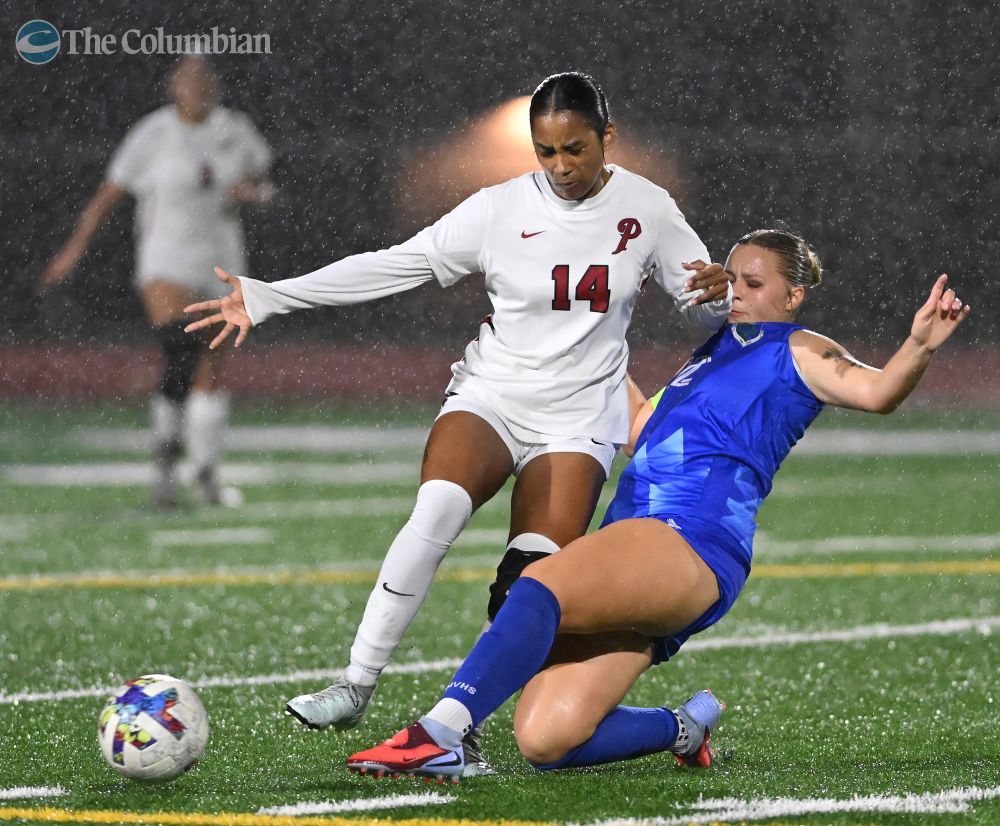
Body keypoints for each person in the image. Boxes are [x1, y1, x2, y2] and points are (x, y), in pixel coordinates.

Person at [184, 72, 732, 775]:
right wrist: (271, 297)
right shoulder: (499, 208)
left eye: (575, 149)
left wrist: (714, 297)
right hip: (493, 394)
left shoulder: (647, 207)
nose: (560, 166)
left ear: (608, 139)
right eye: (546, 152)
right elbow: (397, 265)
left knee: (527, 581)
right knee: (437, 506)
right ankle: (355, 683)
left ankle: (461, 735)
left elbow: (701, 303)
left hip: (576, 420)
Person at [344, 228, 971, 782]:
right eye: (730, 281)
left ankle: (440, 735)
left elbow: (880, 390)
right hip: (648, 544)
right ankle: (683, 729)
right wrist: (582, 346)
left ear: (793, 296)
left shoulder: (799, 348)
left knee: (537, 587)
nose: (736, 293)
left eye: (753, 283)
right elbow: (645, 434)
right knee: (546, 738)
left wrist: (919, 345)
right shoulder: (711, 356)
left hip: (689, 536)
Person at [41, 54, 274, 507]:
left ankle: (204, 473)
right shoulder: (154, 134)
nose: (197, 85)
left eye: (204, 77)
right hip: (167, 259)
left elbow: (264, 185)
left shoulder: (235, 131)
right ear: (174, 86)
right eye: (188, 78)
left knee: (211, 368)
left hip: (222, 259)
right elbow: (108, 195)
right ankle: (167, 463)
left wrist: (255, 195)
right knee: (178, 348)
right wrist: (74, 248)